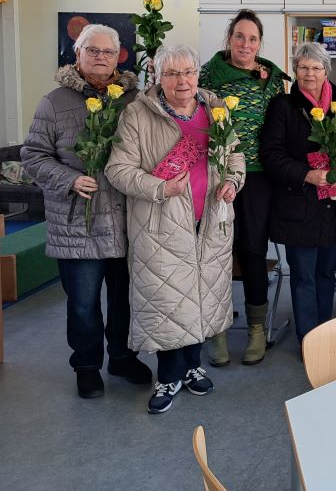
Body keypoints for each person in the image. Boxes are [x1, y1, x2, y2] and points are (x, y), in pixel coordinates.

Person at [105, 44, 244, 414]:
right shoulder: (138, 114)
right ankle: (168, 374)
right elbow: (117, 170)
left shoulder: (216, 109)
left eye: (188, 72)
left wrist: (233, 181)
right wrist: (160, 188)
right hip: (160, 222)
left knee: (200, 291)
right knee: (167, 297)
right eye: (172, 73)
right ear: (158, 77)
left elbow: (235, 155)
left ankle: (193, 365)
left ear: (198, 74)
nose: (182, 81)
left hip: (209, 220)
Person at [22, 24, 152, 399]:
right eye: (92, 50)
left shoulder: (134, 99)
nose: (100, 57)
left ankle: (123, 357)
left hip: (126, 219)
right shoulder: (54, 102)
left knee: (125, 297)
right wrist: (69, 179)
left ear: (118, 56)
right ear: (76, 55)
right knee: (83, 302)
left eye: (107, 52)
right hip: (77, 221)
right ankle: (87, 365)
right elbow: (33, 155)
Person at [198, 10, 288, 367]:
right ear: (229, 39)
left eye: (252, 39)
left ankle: (255, 328)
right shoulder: (208, 74)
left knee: (253, 251)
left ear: (260, 43)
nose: (245, 44)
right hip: (216, 174)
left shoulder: (272, 78)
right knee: (215, 252)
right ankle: (217, 328)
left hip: (258, 176)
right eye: (239, 37)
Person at [260, 42, 336, 343]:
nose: (309, 73)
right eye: (303, 67)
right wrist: (307, 174)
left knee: (327, 274)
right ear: (295, 70)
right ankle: (309, 340)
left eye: (316, 67)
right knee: (303, 277)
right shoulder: (282, 107)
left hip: (330, 205)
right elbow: (271, 155)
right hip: (297, 205)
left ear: (327, 71)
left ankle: (324, 333)